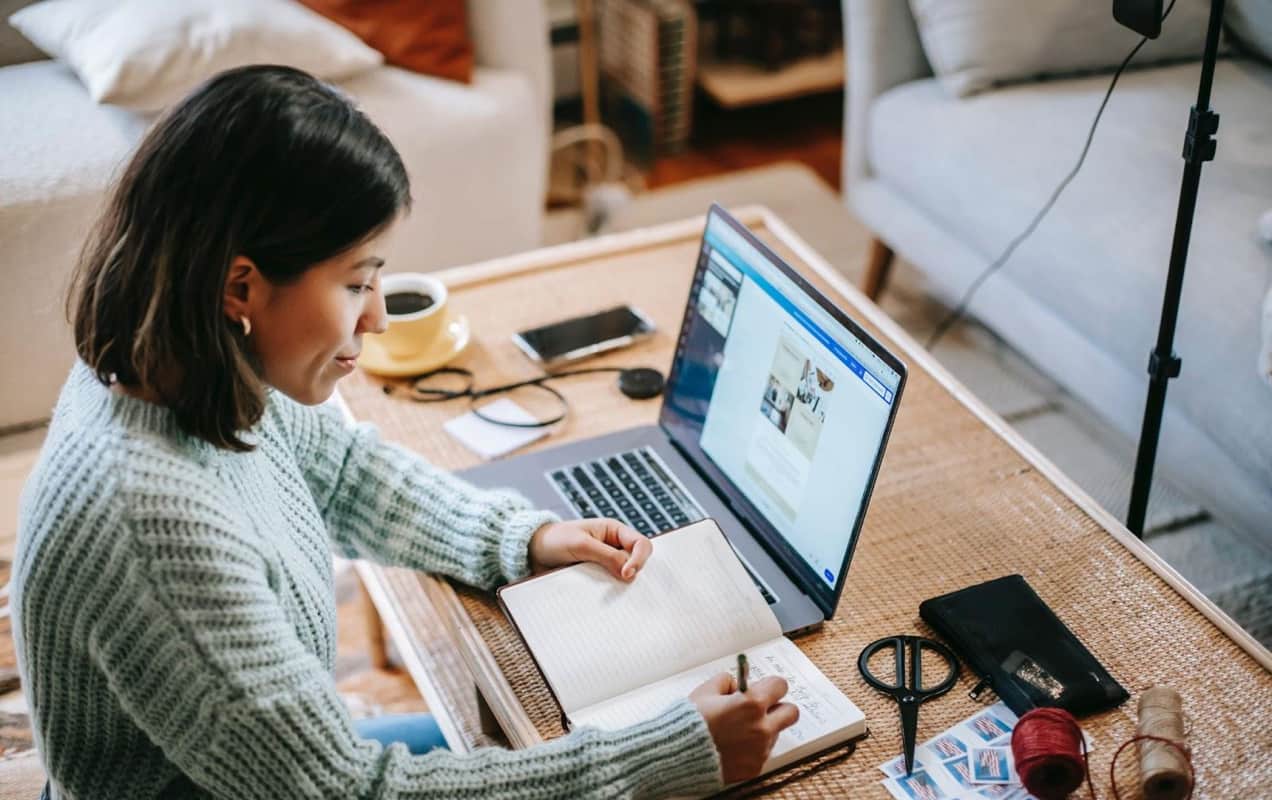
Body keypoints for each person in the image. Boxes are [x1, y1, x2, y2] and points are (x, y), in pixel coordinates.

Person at [12, 65, 799, 799]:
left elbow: (347, 475)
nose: (379, 316)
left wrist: (522, 538)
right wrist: (658, 761)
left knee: (537, 723)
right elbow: (351, 792)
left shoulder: (188, 366)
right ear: (239, 286)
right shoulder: (153, 524)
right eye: (356, 282)